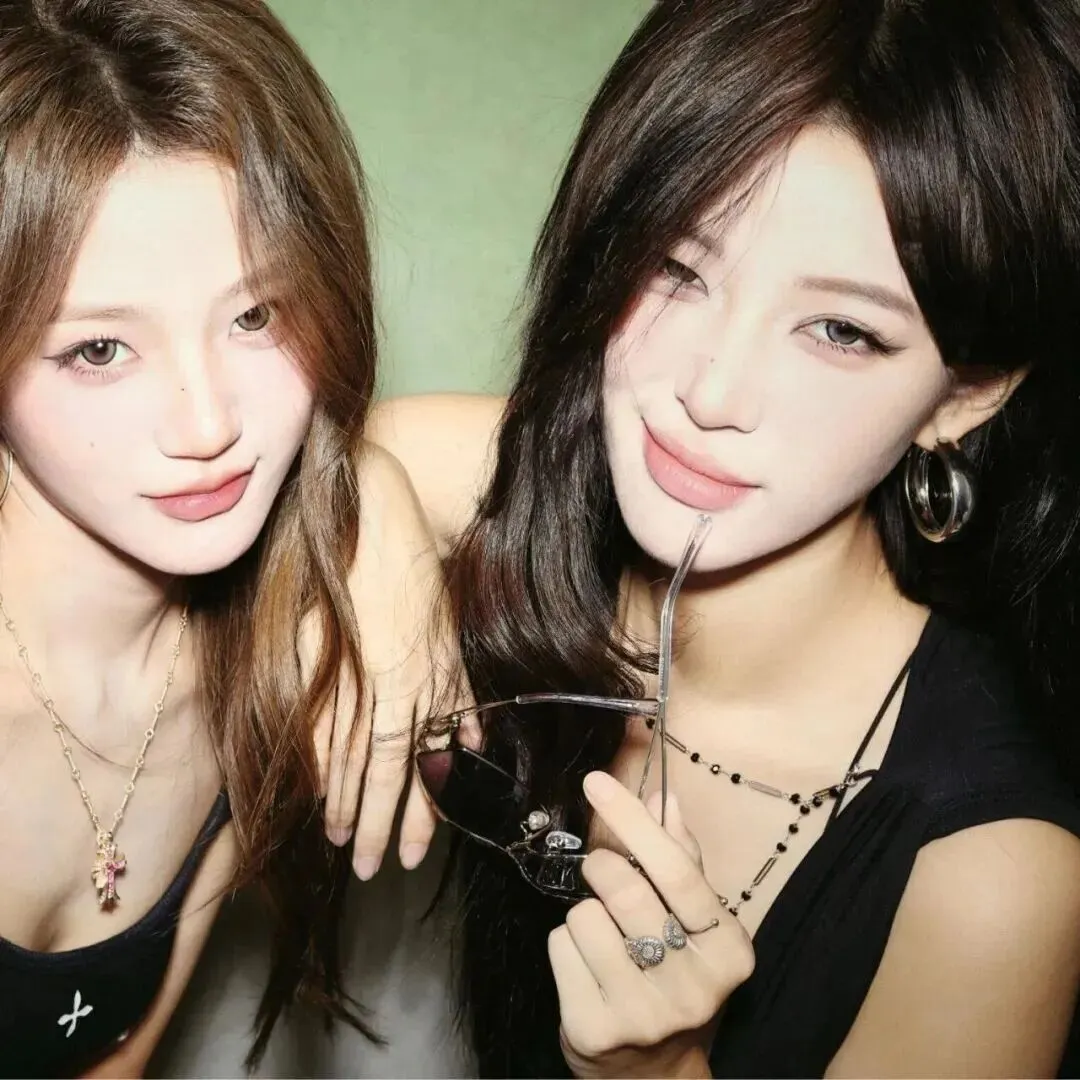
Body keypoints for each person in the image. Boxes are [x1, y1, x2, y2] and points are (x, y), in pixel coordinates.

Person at [373, 0, 1080, 1076]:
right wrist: (374, 551)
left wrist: (660, 1071)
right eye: (676, 267)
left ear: (965, 393)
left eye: (840, 330)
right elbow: (363, 460)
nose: (710, 393)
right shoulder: (541, 498)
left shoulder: (996, 882)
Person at [0, 1, 454, 1075]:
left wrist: (374, 498)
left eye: (258, 317)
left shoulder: (236, 658)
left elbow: (641, 434)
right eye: (100, 350)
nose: (207, 427)